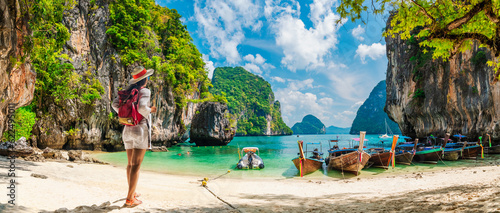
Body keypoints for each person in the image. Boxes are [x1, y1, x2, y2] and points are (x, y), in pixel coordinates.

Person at [112, 66, 156, 207]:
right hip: (140, 130)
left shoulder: (127, 91)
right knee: (136, 165)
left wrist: (127, 113)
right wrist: (151, 110)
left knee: (130, 164)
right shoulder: (145, 91)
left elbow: (114, 104)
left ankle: (133, 191)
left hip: (127, 128)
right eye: (148, 77)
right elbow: (143, 108)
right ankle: (130, 198)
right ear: (145, 79)